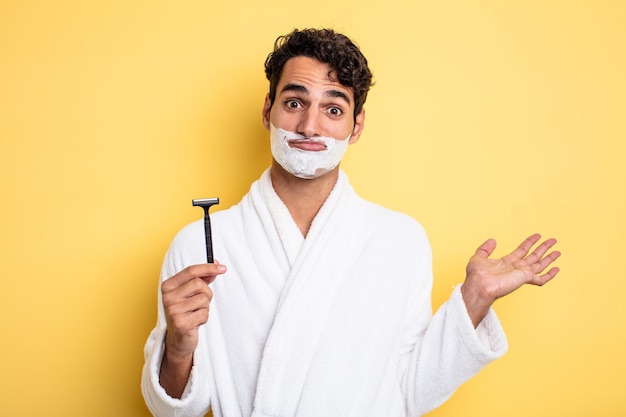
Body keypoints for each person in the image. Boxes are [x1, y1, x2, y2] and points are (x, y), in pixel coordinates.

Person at [141, 28, 560, 417]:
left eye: (333, 108)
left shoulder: (400, 240)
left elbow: (411, 391)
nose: (309, 125)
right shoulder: (201, 246)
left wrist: (474, 300)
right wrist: (177, 349)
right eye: (294, 102)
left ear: (356, 126)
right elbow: (174, 411)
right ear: (268, 111)